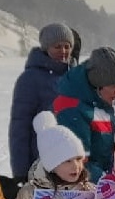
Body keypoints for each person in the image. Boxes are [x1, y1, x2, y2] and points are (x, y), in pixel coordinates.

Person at [9, 23, 75, 186]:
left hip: (74, 162)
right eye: (57, 46)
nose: (63, 51)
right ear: (46, 48)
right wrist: (20, 171)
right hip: (42, 162)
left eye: (67, 46)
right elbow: (20, 126)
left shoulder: (76, 77)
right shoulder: (30, 79)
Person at [52, 46, 115, 182]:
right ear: (97, 83)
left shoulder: (99, 101)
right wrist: (109, 182)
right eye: (113, 85)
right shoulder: (72, 110)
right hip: (84, 189)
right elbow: (79, 164)